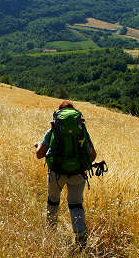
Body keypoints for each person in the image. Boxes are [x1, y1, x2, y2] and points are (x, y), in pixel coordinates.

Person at [34, 101, 97, 249]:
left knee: (53, 202)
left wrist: (37, 145)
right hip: (78, 174)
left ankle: (50, 234)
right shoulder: (82, 130)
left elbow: (39, 155)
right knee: (76, 205)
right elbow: (93, 155)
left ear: (58, 115)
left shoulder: (54, 130)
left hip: (57, 173)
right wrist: (79, 163)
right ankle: (81, 240)